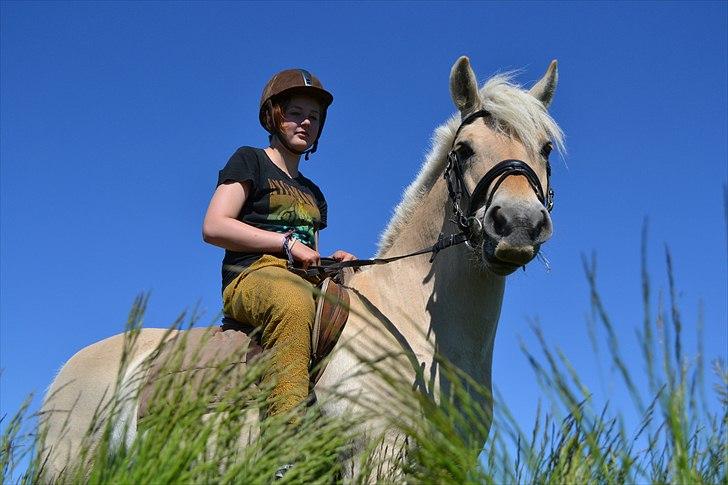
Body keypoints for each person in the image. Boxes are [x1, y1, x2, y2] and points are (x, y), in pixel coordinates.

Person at [202, 68, 355, 426]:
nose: (306, 122)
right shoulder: (250, 160)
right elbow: (214, 225)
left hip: (299, 277)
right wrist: (285, 243)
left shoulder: (314, 193)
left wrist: (333, 260)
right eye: (295, 113)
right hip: (252, 275)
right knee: (293, 300)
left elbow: (310, 254)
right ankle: (286, 443)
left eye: (314, 117)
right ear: (274, 115)